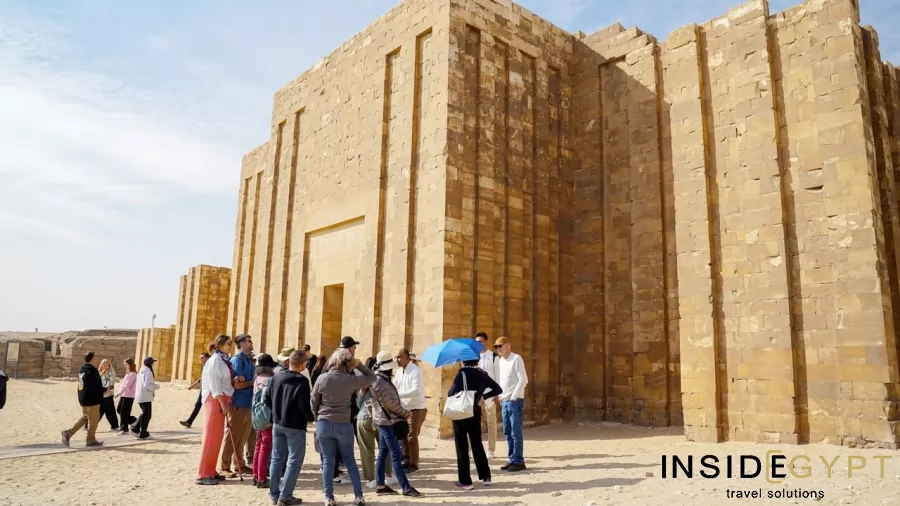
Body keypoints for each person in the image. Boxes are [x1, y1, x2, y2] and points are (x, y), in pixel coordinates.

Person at [311, 347, 376, 506]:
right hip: (343, 423)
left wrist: (317, 418)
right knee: (350, 460)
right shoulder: (350, 379)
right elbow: (372, 377)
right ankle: (358, 496)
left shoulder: (322, 378)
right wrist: (359, 365)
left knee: (327, 461)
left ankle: (329, 497)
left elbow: (314, 401)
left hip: (324, 422)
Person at [265, 351, 315, 506]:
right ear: (302, 364)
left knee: (276, 458)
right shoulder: (301, 382)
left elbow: (266, 398)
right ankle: (285, 495)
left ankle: (274, 494)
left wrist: (276, 411)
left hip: (278, 422)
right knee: (294, 460)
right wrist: (311, 417)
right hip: (294, 425)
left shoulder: (276, 377)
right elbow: (304, 406)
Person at [370, 350, 422, 498]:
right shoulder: (381, 381)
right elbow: (390, 404)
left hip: (383, 420)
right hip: (386, 421)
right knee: (395, 454)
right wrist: (405, 413)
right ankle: (405, 487)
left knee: (383, 453)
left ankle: (380, 485)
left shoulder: (379, 379)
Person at [448, 358, 503, 489]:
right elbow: (498, 389)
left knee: (461, 445)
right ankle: (486, 476)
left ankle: (465, 481)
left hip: (462, 411)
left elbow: (450, 393)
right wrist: (482, 397)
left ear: (463, 361)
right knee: (477, 443)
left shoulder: (461, 374)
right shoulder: (482, 374)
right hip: (475, 411)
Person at [197, 334, 235, 485]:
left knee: (217, 437)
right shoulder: (214, 360)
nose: (230, 346)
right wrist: (222, 404)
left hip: (221, 399)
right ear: (219, 345)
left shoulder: (223, 360)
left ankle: (211, 470)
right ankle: (203, 473)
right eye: (228, 343)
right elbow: (214, 385)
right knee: (210, 436)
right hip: (215, 400)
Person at [356, 357, 397, 489]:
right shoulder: (383, 381)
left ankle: (370, 479)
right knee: (385, 447)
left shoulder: (363, 382)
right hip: (380, 417)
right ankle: (388, 475)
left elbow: (358, 403)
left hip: (363, 417)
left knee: (366, 450)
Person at [220, 333, 255, 478]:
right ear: (241, 344)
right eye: (248, 341)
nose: (251, 343)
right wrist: (253, 382)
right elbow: (237, 385)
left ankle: (239, 463)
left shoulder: (248, 360)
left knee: (243, 436)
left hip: (248, 402)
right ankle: (225, 465)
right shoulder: (237, 360)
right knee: (233, 436)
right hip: (238, 402)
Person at [494, 336, 529, 472]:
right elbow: (500, 380)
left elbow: (523, 379)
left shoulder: (516, 358)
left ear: (508, 345)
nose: (498, 349)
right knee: (508, 432)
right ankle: (512, 459)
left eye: (500, 346)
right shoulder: (500, 361)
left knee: (516, 432)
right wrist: (500, 395)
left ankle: (519, 461)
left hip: (515, 401)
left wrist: (514, 397)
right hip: (504, 401)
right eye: (496, 347)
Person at [61, 351, 105, 447]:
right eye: (95, 356)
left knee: (85, 418)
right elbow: (95, 386)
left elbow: (81, 385)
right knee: (94, 421)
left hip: (84, 399)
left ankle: (68, 433)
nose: (97, 358)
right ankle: (90, 440)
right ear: (92, 358)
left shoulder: (82, 370)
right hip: (92, 400)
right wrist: (104, 389)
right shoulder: (92, 371)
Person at [393, 349, 426, 473]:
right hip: (404, 408)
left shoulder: (416, 371)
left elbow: (416, 391)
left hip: (416, 407)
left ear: (407, 358)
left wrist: (398, 395)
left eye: (399, 357)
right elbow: (394, 386)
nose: (397, 360)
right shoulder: (399, 372)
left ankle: (414, 464)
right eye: (396, 357)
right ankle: (407, 460)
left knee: (412, 437)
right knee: (404, 436)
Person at [251, 354, 278, 489]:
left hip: (257, 415)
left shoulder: (257, 379)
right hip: (267, 416)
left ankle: (256, 475)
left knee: (258, 445)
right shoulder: (270, 380)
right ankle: (262, 478)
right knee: (265, 446)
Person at [475, 332, 500, 458]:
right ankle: (473, 448)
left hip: (490, 393)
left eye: (480, 341)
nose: (478, 344)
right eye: (477, 342)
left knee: (491, 422)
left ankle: (491, 449)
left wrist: (498, 394)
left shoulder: (493, 356)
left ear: (486, 341)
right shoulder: (474, 356)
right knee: (474, 422)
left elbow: (498, 375)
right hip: (476, 394)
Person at [131, 357, 160, 439]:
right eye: (153, 362)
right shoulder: (148, 372)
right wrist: (156, 386)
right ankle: (140, 431)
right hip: (145, 396)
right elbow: (148, 385)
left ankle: (138, 429)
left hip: (141, 395)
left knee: (146, 414)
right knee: (146, 415)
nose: (154, 364)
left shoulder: (141, 371)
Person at [180, 352, 210, 428]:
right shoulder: (204, 367)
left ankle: (190, 422)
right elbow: (201, 379)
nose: (200, 359)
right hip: (203, 389)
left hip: (208, 390)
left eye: (202, 357)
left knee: (204, 406)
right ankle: (189, 422)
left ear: (207, 358)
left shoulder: (209, 366)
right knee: (198, 405)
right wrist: (192, 386)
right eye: (200, 358)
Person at [114, 358, 138, 435]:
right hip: (124, 395)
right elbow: (123, 384)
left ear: (129, 365)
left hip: (129, 396)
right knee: (119, 410)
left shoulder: (133, 374)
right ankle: (135, 421)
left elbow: (127, 385)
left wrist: (119, 393)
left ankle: (124, 429)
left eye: (125, 364)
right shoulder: (128, 373)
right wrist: (120, 393)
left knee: (124, 412)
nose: (124, 365)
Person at [98, 359, 119, 431]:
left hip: (108, 394)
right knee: (99, 410)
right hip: (101, 394)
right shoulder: (100, 372)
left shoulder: (111, 372)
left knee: (110, 410)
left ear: (109, 365)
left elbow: (111, 382)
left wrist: (105, 389)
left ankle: (115, 426)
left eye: (107, 365)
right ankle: (91, 424)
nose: (105, 367)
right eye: (104, 365)